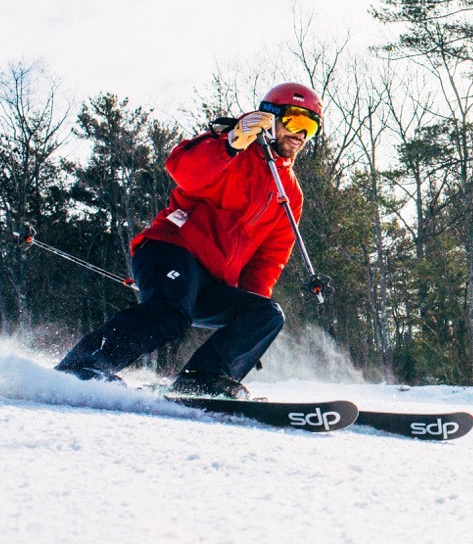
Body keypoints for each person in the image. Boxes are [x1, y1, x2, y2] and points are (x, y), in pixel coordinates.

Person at [55, 82, 323, 398]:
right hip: (171, 248)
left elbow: (268, 259)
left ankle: (202, 379)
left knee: (266, 314)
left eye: (311, 126)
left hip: (211, 282)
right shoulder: (231, 144)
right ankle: (83, 367)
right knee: (170, 314)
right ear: (270, 116)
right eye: (295, 121)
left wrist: (246, 330)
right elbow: (181, 168)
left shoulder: (289, 193)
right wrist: (232, 143)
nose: (301, 134)